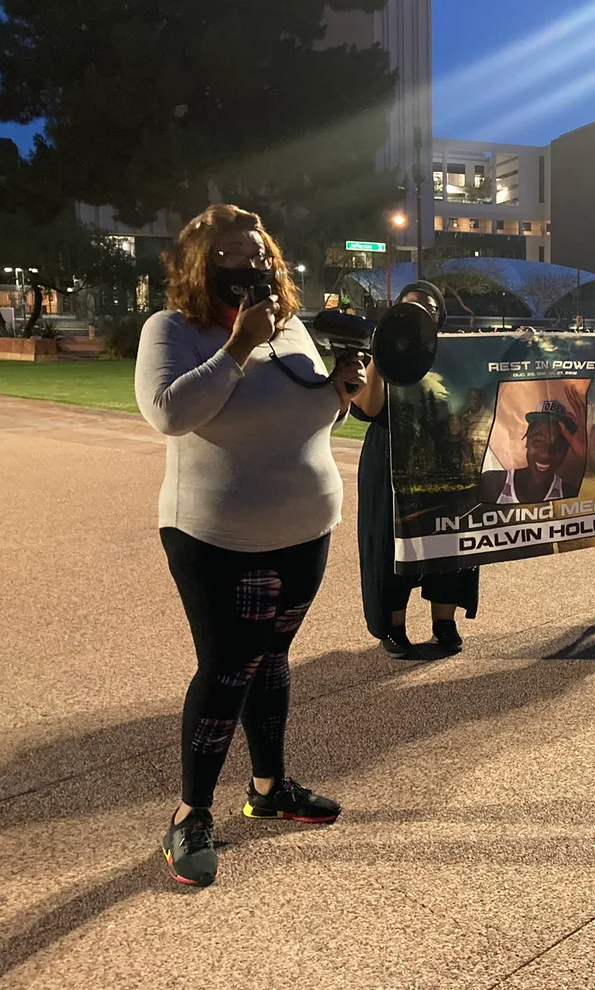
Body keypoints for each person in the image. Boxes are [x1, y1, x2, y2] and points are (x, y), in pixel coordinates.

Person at [135, 204, 363, 887]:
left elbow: (309, 414)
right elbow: (168, 413)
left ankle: (269, 790)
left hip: (306, 531)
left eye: (264, 254)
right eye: (238, 254)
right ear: (203, 264)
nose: (257, 265)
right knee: (229, 666)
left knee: (273, 660)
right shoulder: (173, 329)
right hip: (219, 537)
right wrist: (237, 345)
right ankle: (189, 815)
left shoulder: (290, 328)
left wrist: (340, 391)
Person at [349, 280, 480, 658]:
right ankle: (392, 625)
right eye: (411, 306)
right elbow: (368, 408)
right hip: (388, 457)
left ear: (439, 317)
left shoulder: (454, 354)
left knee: (451, 535)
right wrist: (381, 349)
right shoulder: (383, 351)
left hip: (444, 459)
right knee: (386, 542)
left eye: (429, 307)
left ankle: (445, 622)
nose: (420, 313)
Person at [478, 389, 587, 504]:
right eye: (538, 441)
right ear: (527, 441)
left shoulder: (570, 493)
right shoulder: (492, 484)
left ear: (567, 450)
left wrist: (585, 456)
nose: (546, 454)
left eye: (558, 445)